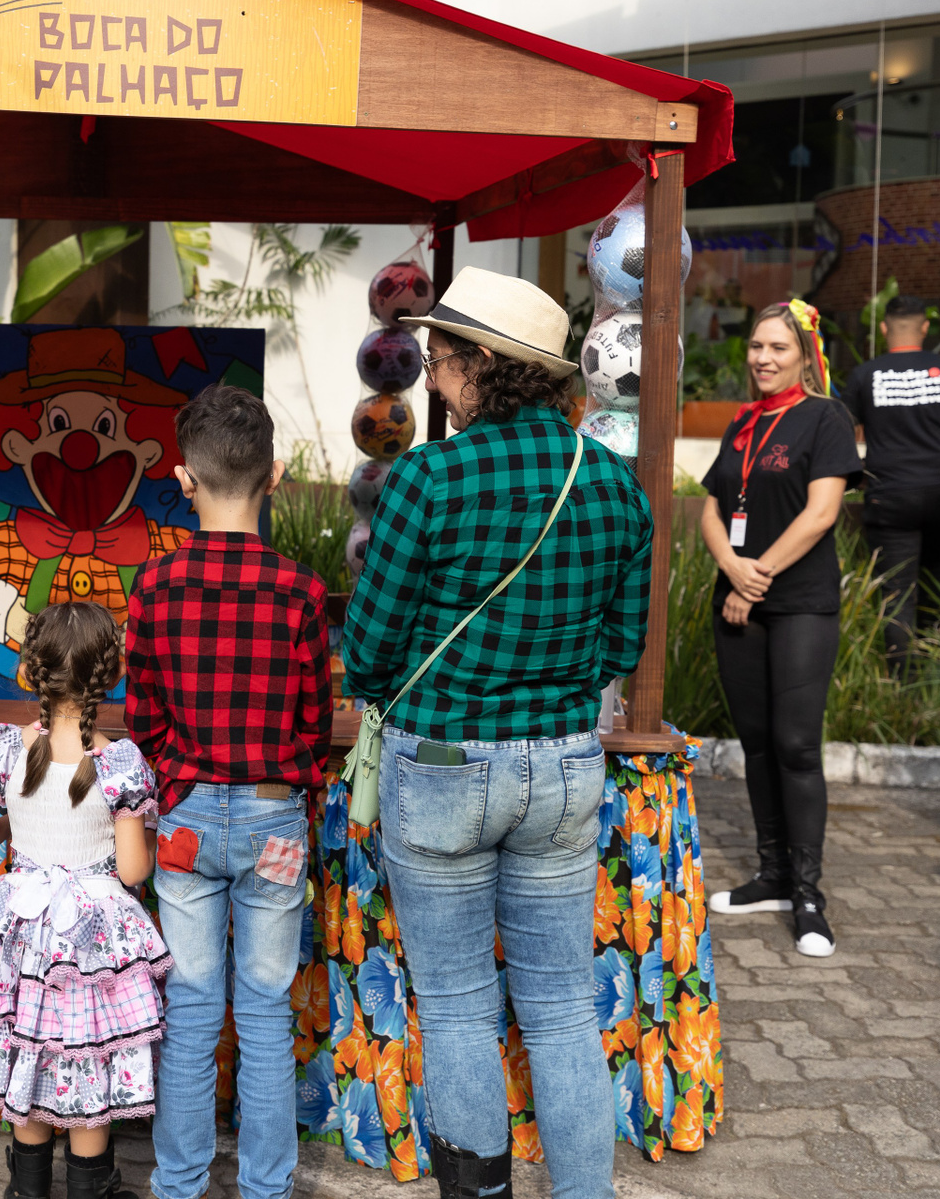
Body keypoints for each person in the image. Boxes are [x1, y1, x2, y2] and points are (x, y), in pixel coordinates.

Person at [344, 268, 652, 1199]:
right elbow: (622, 646)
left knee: (457, 1008)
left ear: (483, 363)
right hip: (562, 763)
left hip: (442, 760)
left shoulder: (427, 477)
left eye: (440, 359)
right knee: (562, 1010)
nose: (432, 378)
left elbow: (368, 650)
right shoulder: (611, 482)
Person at [123, 383, 331, 1199]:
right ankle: (266, 1189)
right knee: (267, 1010)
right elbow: (315, 721)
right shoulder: (301, 591)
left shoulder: (154, 586)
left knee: (192, 1008)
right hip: (274, 817)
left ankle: (178, 1185)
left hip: (185, 818)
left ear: (183, 479)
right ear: (275, 476)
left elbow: (143, 717)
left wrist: (179, 774)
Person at [0, 601, 165, 1199]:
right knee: (84, 1058)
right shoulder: (120, 762)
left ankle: (27, 1189)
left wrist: (14, 828)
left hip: (22, 927)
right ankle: (91, 1188)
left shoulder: (3, 748)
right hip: (92, 937)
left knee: (28, 1051)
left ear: (29, 671)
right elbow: (134, 870)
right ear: (111, 674)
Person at [701, 301, 861, 958]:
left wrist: (755, 577)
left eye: (778, 348)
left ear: (804, 355)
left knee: (796, 745)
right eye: (756, 347)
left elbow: (822, 513)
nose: (763, 358)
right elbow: (712, 511)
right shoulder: (743, 421)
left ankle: (807, 894)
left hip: (798, 602)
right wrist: (731, 570)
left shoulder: (825, 417)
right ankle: (771, 874)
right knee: (759, 744)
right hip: (738, 599)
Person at [841, 294, 940, 669]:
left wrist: (857, 475)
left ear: (884, 329)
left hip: (891, 494)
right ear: (925, 327)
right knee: (934, 566)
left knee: (897, 589)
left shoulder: (865, 375)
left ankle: (903, 684)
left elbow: (839, 436)